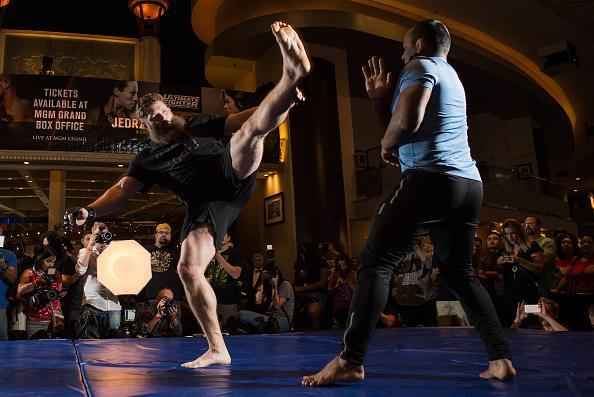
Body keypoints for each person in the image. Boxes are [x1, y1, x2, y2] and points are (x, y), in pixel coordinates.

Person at [64, 21, 310, 368]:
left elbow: (246, 118)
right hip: (204, 206)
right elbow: (122, 192)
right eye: (153, 118)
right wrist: (89, 212)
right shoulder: (148, 157)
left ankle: (291, 75)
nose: (161, 119)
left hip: (229, 173)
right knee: (188, 268)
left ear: (171, 112)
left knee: (251, 135)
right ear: (146, 124)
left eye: (163, 113)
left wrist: (284, 102)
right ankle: (217, 348)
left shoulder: (197, 124)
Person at [303, 20, 515, 386]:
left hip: (431, 179)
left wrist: (387, 142)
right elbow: (408, 121)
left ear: (418, 44)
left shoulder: (419, 66)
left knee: (374, 262)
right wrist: (379, 101)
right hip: (467, 184)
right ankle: (501, 359)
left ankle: (351, 360)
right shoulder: (452, 76)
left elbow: (409, 119)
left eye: (403, 48)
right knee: (459, 272)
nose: (402, 55)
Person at [0, 247, 18, 339]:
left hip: (1, 306)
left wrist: (3, 266)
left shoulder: (9, 255)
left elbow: (12, 279)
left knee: (2, 342)